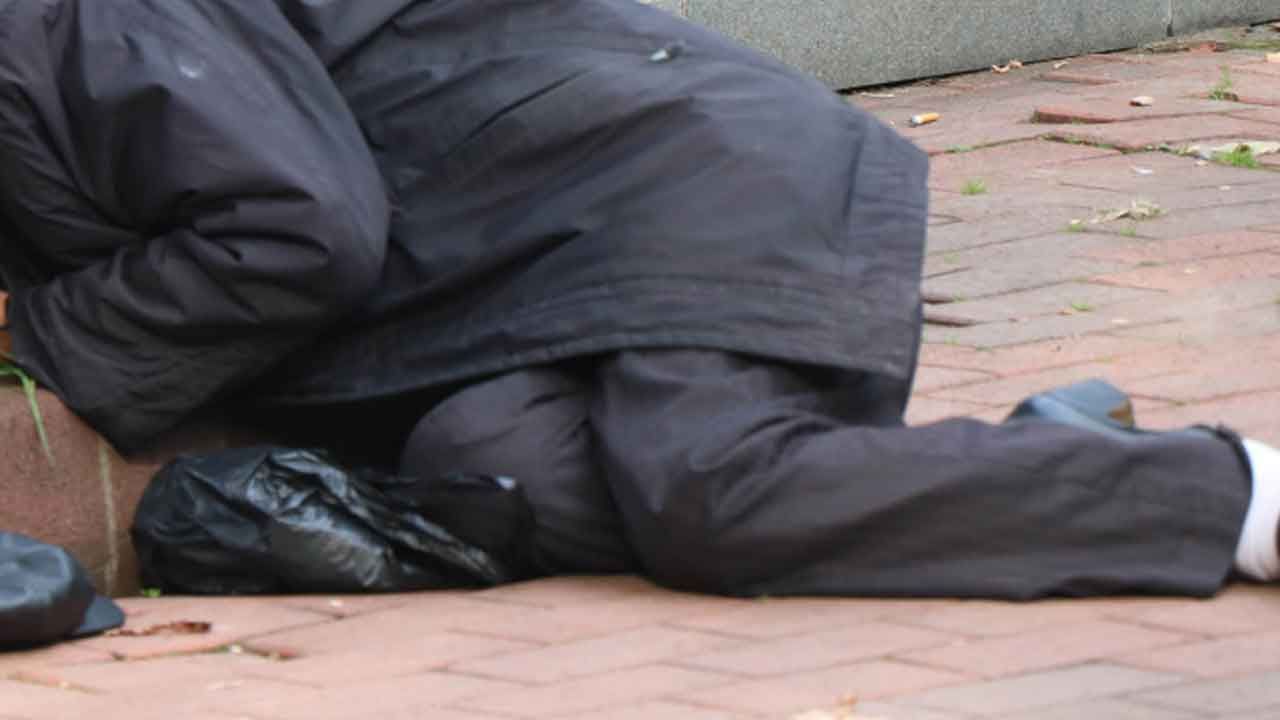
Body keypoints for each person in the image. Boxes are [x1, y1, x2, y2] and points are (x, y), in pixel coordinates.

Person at [0, 0, 1276, 600]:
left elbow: (296, 231)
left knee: (714, 493)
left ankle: (1237, 499)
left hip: (674, 179)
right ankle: (1032, 468)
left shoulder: (74, 24)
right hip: (536, 273)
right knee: (493, 470)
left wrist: (43, 338)